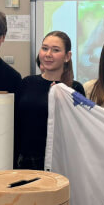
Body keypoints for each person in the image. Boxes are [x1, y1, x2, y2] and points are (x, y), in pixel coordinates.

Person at [15, 31, 85, 170]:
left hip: (60, 163)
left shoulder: (74, 89)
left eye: (55, 50)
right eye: (45, 48)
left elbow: (78, 132)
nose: (48, 54)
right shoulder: (27, 83)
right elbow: (16, 125)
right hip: (26, 163)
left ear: (67, 56)